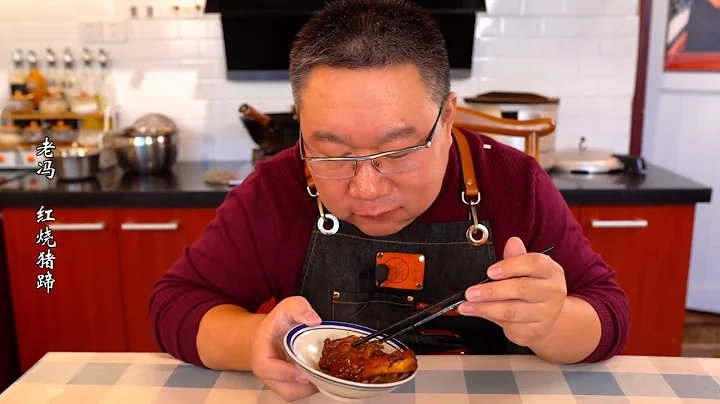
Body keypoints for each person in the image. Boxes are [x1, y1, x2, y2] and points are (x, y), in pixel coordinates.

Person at [149, 0, 630, 401]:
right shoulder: (277, 190)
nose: (367, 188)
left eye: (399, 151)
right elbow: (176, 304)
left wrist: (552, 323)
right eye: (332, 155)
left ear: (447, 120)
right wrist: (255, 339)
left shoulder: (512, 183)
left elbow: (609, 314)